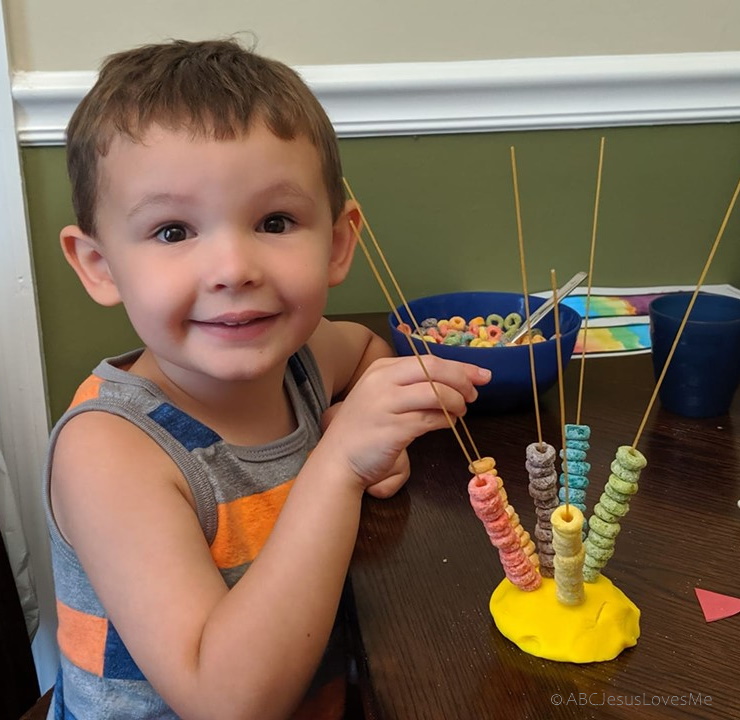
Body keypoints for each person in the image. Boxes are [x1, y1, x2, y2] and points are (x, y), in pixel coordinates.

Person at [44, 38, 491, 720]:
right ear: (99, 265)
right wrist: (338, 465)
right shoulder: (110, 452)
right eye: (171, 231)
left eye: (274, 221)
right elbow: (226, 702)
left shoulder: (305, 359)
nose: (233, 267)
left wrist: (370, 429)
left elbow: (370, 352)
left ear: (338, 243)